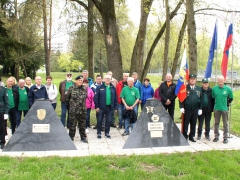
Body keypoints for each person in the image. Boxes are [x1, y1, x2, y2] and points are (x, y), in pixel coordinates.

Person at [180, 74, 203, 142]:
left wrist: (200, 108)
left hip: (195, 109)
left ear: (195, 80)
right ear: (189, 80)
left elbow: (201, 99)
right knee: (186, 123)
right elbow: (181, 98)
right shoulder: (185, 88)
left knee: (193, 123)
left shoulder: (199, 88)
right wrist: (181, 107)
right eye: (191, 79)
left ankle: (191, 136)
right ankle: (185, 136)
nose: (192, 80)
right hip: (187, 109)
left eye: (194, 79)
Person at [65, 75, 88, 143]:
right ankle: (71, 137)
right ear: (76, 81)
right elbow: (67, 99)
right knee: (72, 125)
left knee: (82, 125)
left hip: (82, 110)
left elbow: (85, 98)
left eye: (81, 80)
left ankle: (83, 137)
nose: (80, 82)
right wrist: (71, 107)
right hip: (73, 111)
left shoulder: (84, 88)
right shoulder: (71, 88)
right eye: (79, 80)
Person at [94, 75, 118, 139]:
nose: (107, 80)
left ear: (110, 80)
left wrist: (116, 107)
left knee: (109, 121)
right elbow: (96, 98)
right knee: (99, 120)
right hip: (101, 107)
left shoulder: (113, 88)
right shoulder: (99, 87)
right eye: (106, 78)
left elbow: (115, 98)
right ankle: (99, 133)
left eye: (109, 79)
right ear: (104, 79)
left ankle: (107, 133)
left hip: (110, 107)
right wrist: (97, 107)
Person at [212, 76, 233, 144]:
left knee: (225, 124)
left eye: (222, 80)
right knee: (216, 123)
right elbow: (213, 98)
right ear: (217, 81)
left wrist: (227, 104)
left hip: (224, 109)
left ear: (224, 80)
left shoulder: (228, 89)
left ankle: (225, 137)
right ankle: (216, 136)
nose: (220, 81)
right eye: (219, 80)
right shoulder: (214, 89)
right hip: (217, 109)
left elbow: (231, 98)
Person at [0, 84, 9, 149]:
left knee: (2, 127)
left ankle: (2, 142)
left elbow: (6, 101)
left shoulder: (3, 89)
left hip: (1, 111)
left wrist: (6, 112)